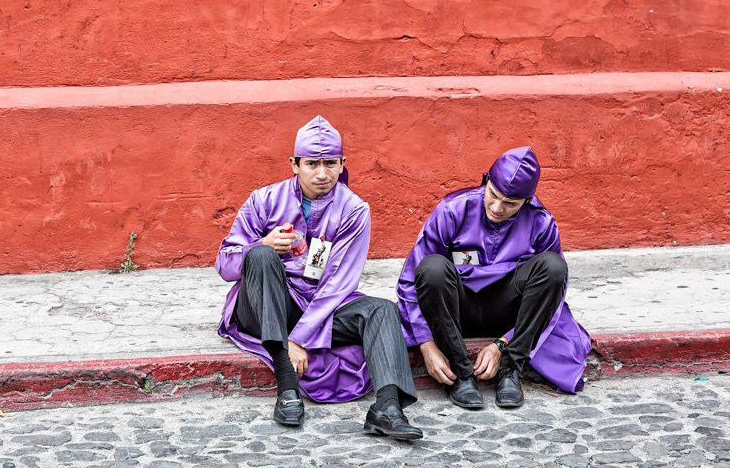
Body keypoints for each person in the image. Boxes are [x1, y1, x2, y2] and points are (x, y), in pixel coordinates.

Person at [216, 116, 422, 439]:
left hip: (322, 306)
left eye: (330, 163)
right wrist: (263, 244)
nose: (322, 173)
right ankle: (287, 385)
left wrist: (300, 337)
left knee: (383, 310)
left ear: (342, 164)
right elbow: (224, 264)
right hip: (265, 303)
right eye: (312, 163)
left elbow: (339, 283)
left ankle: (388, 406)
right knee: (261, 257)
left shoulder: (354, 210)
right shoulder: (264, 200)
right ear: (294, 164)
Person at [395, 147, 591, 409]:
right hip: (455, 310)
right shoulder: (453, 210)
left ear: (527, 201)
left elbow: (553, 293)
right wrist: (426, 345)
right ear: (486, 181)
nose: (497, 208)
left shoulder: (541, 222)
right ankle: (460, 374)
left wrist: (503, 344)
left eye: (510, 203)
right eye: (493, 195)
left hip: (507, 312)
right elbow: (410, 281)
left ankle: (511, 369)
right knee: (432, 268)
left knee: (554, 268)